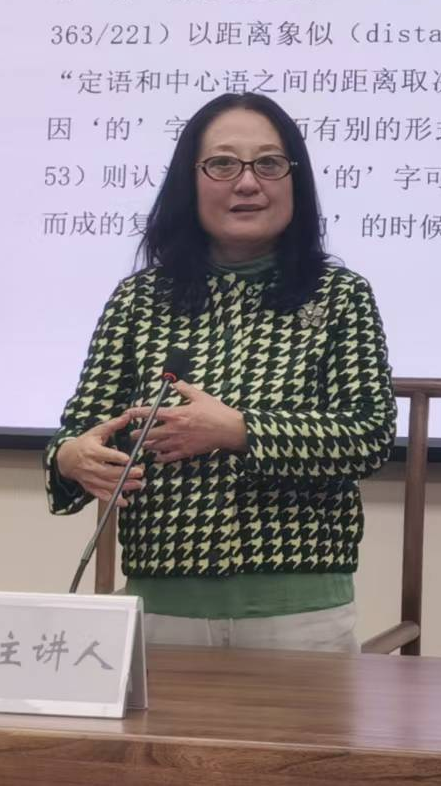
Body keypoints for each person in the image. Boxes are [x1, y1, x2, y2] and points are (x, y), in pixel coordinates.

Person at [46, 92, 396, 650]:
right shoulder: (139, 301)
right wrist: (72, 458)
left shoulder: (339, 296)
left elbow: (369, 436)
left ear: (295, 180)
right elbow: (77, 435)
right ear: (190, 182)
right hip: (162, 608)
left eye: (269, 164)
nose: (248, 182)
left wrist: (239, 431)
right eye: (223, 164)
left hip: (299, 612)